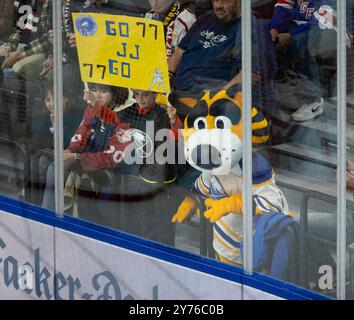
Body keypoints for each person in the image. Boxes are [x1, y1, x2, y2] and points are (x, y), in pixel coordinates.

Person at [97, 89, 180, 245]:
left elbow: (169, 146)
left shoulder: (163, 116)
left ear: (155, 95)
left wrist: (173, 122)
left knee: (149, 218)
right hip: (125, 174)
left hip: (149, 176)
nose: (140, 98)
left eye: (145, 95)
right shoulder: (126, 113)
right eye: (137, 94)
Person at [168, 0, 277, 117]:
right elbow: (180, 51)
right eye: (216, 1)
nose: (219, 6)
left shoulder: (250, 28)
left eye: (226, 1)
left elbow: (251, 74)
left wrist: (214, 99)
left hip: (210, 106)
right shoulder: (206, 18)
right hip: (176, 96)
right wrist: (164, 82)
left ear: (239, 2)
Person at [41, 83, 130, 211]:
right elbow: (80, 135)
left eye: (103, 91)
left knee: (55, 169)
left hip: (106, 171)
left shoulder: (123, 118)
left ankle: (47, 218)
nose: (97, 95)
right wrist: (70, 150)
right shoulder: (91, 110)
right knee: (44, 161)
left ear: (115, 94)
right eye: (94, 90)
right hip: (86, 161)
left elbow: (111, 159)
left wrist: (78, 158)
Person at [269, 0, 353, 122]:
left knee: (301, 42)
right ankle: (279, 91)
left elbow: (324, 18)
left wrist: (291, 35)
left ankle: (314, 100)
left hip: (334, 27)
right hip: (304, 25)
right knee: (262, 31)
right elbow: (285, 4)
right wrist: (274, 29)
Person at [1, 0, 52, 80]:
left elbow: (50, 40)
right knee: (3, 52)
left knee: (18, 68)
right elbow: (18, 29)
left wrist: (18, 54)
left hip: (44, 52)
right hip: (21, 47)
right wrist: (10, 46)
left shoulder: (53, 4)